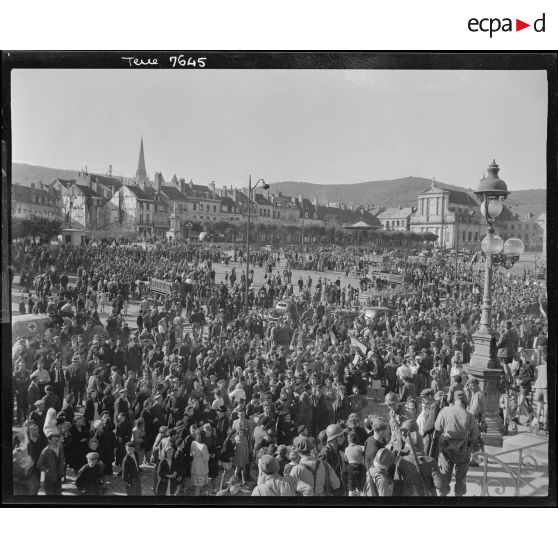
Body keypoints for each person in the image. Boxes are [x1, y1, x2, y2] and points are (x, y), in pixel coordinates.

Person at [434, 391, 480, 497]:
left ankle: (443, 496)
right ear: (465, 401)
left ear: (454, 400)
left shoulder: (445, 411)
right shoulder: (470, 415)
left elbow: (437, 427)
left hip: (446, 450)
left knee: (445, 476)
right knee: (461, 478)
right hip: (464, 451)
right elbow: (475, 436)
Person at [37, 431, 66, 495]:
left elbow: (62, 458)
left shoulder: (60, 447)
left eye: (58, 440)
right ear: (50, 441)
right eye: (55, 440)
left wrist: (63, 468)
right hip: (49, 479)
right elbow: (39, 464)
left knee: (58, 494)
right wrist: (47, 471)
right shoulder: (45, 451)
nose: (57, 442)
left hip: (58, 476)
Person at [345, 431, 366, 496]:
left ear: (348, 440)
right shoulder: (360, 447)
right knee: (361, 487)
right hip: (360, 468)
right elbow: (366, 451)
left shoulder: (346, 449)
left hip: (350, 468)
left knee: (351, 488)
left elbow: (346, 459)